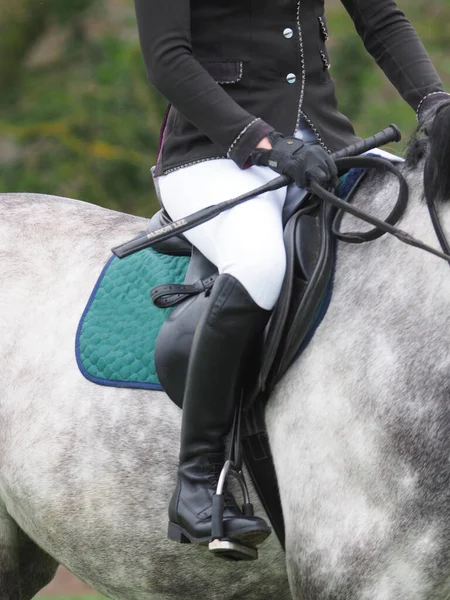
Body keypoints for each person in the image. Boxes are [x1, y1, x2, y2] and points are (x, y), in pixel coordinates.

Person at [133, 0, 449, 550]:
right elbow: (167, 60)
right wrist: (261, 142)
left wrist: (434, 101)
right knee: (258, 263)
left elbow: (381, 18)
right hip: (214, 155)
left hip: (324, 146)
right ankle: (197, 485)